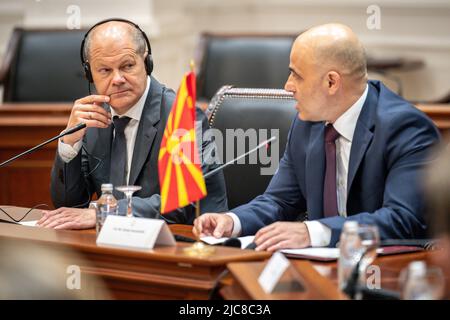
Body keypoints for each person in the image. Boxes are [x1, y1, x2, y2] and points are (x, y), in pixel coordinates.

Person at [193, 23, 440, 251]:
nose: (288, 85)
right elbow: (279, 201)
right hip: (320, 269)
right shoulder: (307, 123)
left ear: (332, 82)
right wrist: (232, 221)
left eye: (296, 75)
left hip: (387, 272)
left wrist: (314, 233)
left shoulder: (406, 129)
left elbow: (402, 219)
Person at [38, 19, 227, 229]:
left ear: (146, 63)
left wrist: (109, 212)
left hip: (176, 246)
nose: (117, 79)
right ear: (90, 74)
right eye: (105, 71)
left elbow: (187, 201)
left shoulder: (182, 115)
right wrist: (70, 142)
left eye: (127, 66)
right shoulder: (94, 119)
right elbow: (68, 205)